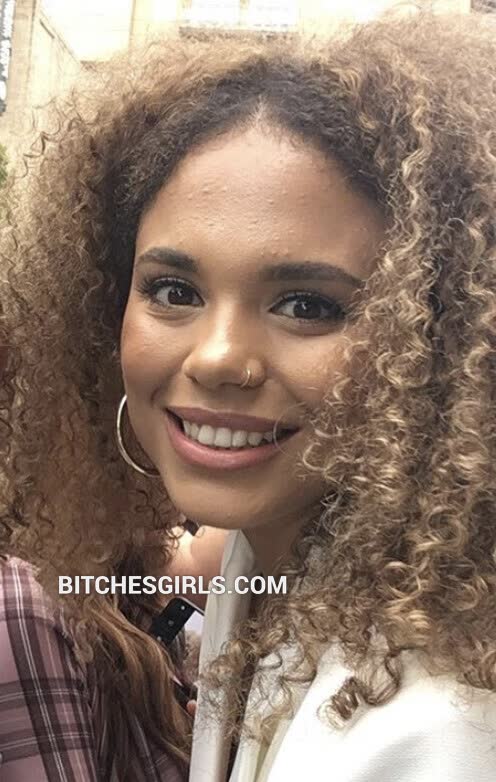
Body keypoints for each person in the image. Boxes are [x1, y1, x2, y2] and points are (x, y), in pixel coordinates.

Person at [1, 8, 496, 782]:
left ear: (439, 345)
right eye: (174, 290)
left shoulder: (441, 729)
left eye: (307, 304)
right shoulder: (265, 560)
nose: (219, 357)